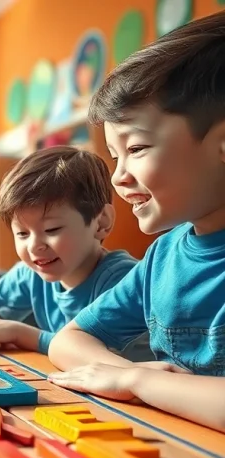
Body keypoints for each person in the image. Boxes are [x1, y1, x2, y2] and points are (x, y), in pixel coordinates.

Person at [47, 12, 225, 432]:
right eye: (114, 155)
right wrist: (129, 379)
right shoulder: (164, 256)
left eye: (138, 147)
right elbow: (69, 340)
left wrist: (137, 379)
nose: (118, 176)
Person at [0, 146, 139, 357]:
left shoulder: (124, 281)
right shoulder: (31, 272)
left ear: (101, 223)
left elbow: (100, 357)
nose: (34, 246)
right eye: (22, 234)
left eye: (51, 230)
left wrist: (19, 333)